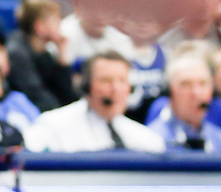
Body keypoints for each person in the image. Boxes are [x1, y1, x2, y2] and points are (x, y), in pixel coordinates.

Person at [23, 51, 166, 152]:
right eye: (106, 81)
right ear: (86, 86)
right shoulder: (53, 126)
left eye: (122, 81)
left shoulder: (146, 138)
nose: (115, 89)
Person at [147, 52, 221, 152]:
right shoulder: (151, 141)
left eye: (203, 84)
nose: (196, 92)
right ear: (169, 91)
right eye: (186, 84)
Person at [7, 0, 76, 112]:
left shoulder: (44, 52)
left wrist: (62, 58)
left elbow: (67, 95)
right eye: (56, 20)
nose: (60, 25)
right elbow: (37, 96)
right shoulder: (17, 54)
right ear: (40, 27)